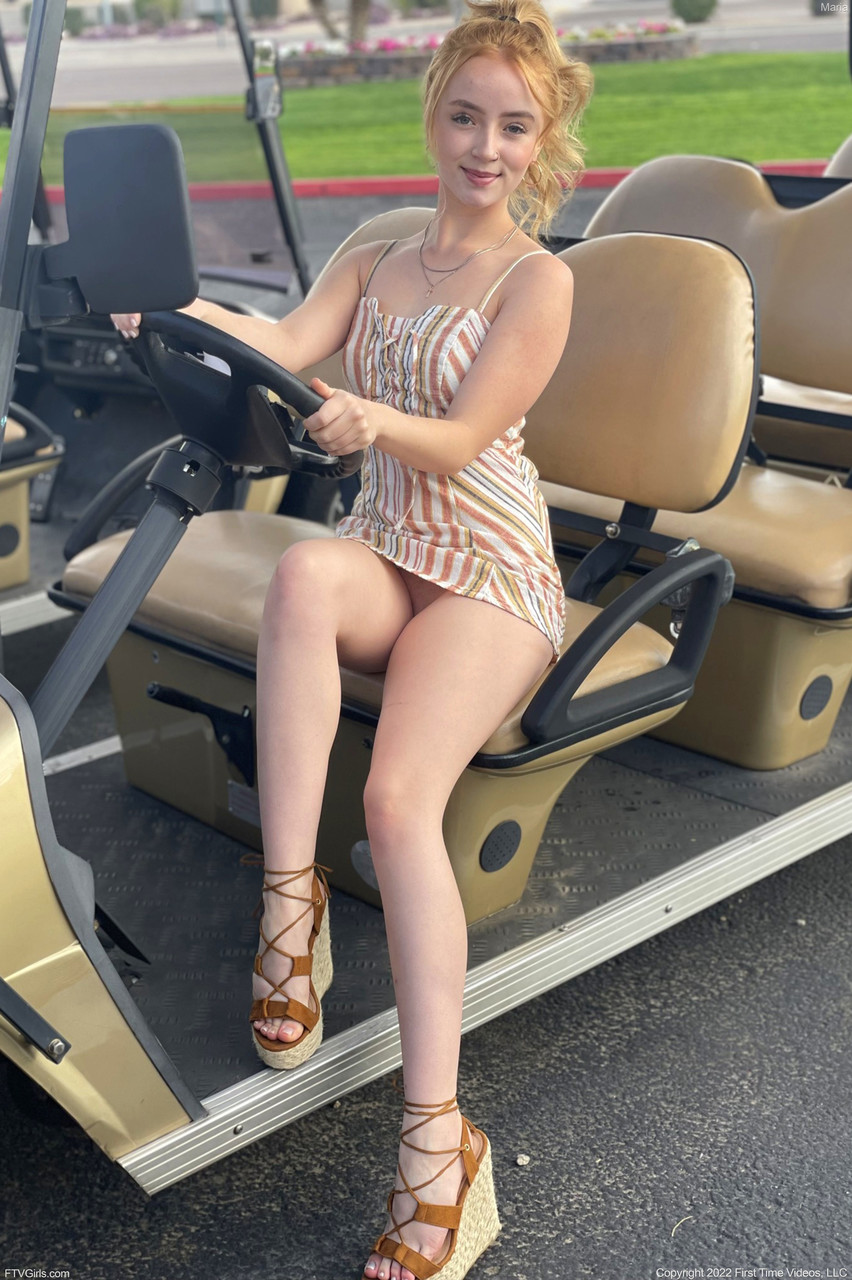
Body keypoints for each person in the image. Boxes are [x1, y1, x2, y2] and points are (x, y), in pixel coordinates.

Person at [113, 3, 592, 1275]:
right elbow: (279, 345)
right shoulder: (377, 250)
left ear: (541, 141)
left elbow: (464, 437)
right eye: (465, 116)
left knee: (393, 800)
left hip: (487, 568)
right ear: (432, 115)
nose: (484, 146)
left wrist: (374, 420)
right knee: (304, 574)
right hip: (390, 548)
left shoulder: (538, 280)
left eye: (513, 127)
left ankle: (441, 1148)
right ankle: (292, 908)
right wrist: (168, 310)